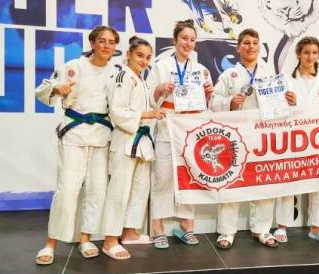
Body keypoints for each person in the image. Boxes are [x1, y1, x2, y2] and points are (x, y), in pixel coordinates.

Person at [34, 25, 120, 266]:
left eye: (111, 42)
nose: (106, 46)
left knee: (97, 190)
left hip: (101, 135)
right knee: (67, 190)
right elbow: (42, 90)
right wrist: (56, 88)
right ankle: (50, 243)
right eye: (101, 41)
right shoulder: (74, 66)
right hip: (74, 133)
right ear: (92, 43)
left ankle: (85, 239)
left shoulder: (116, 72)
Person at [210, 29, 296, 250]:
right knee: (231, 183)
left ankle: (262, 228)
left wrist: (289, 100)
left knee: (264, 182)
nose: (251, 47)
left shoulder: (270, 74)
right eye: (246, 43)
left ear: (260, 47)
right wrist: (230, 102)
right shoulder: (229, 74)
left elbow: (283, 108)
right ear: (238, 47)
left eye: (255, 43)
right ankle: (227, 231)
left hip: (263, 137)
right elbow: (213, 101)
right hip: (235, 137)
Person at [149, 20, 213, 249]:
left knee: (189, 177)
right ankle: (157, 227)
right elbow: (149, 98)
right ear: (175, 40)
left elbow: (208, 104)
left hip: (190, 128)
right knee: (163, 176)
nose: (188, 43)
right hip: (168, 123)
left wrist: (208, 94)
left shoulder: (201, 70)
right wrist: (160, 89)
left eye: (192, 40)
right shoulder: (161, 66)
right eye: (184, 38)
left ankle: (187, 225)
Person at [101, 36, 162, 260]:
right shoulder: (122, 76)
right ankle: (110, 240)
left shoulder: (140, 79)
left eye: (148, 57)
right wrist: (148, 114)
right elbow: (117, 112)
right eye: (139, 56)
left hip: (141, 140)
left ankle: (129, 232)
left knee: (140, 188)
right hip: (125, 139)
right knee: (119, 190)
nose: (144, 61)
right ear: (128, 54)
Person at [286, 36, 319, 243]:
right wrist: (286, 102)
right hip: (292, 139)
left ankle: (316, 227)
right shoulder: (287, 80)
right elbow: (276, 111)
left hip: (318, 141)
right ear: (298, 54)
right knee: (287, 183)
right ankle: (282, 226)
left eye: (314, 53)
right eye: (306, 52)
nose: (310, 57)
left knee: (318, 184)